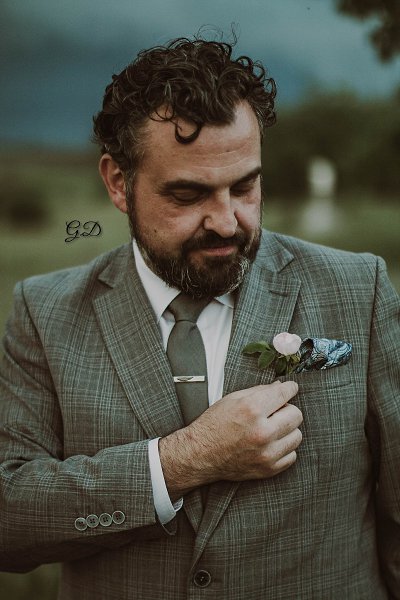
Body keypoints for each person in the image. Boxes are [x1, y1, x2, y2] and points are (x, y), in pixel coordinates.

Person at [0, 36, 399, 600]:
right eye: (188, 195)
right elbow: (10, 518)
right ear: (118, 182)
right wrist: (183, 462)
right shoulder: (44, 312)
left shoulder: (360, 289)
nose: (226, 221)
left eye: (245, 186)